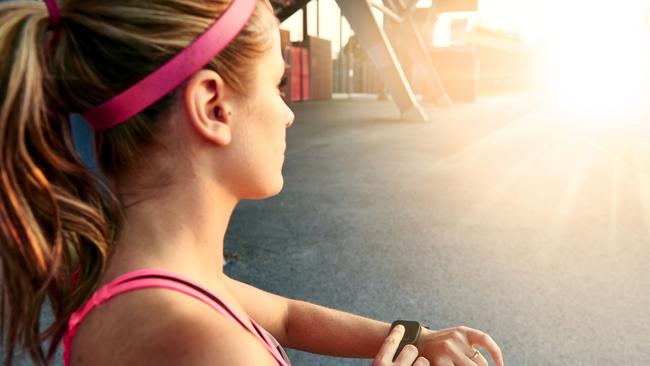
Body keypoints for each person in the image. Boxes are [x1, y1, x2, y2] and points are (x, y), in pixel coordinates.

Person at [0, 1, 504, 365]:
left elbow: (285, 315)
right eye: (276, 84)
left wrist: (415, 336)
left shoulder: (151, 274)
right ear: (213, 107)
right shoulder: (200, 343)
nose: (288, 114)